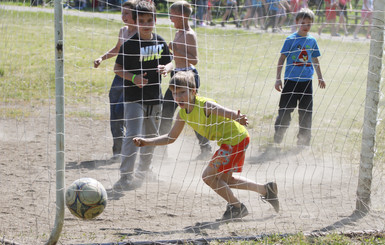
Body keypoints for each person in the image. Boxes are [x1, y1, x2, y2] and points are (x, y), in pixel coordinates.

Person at [133, 71, 280, 220]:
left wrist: (237, 117)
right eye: (174, 94)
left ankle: (237, 207)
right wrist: (147, 142)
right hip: (231, 141)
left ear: (193, 91)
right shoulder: (183, 114)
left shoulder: (205, 105)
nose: (178, 97)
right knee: (225, 180)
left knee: (208, 177)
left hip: (235, 140)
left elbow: (225, 111)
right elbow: (171, 137)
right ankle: (266, 190)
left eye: (182, 92)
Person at [113, 0, 173, 191]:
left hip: (155, 98)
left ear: (155, 20)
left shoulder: (160, 41)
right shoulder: (130, 45)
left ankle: (144, 171)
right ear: (135, 22)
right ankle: (125, 176)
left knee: (151, 137)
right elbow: (117, 69)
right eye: (142, 21)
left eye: (150, 20)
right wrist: (134, 78)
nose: (146, 24)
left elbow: (171, 62)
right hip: (133, 98)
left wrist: (167, 68)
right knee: (133, 135)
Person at [158, 0, 212, 160]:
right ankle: (161, 152)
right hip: (177, 75)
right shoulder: (178, 32)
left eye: (172, 15)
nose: (170, 19)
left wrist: (176, 49)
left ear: (182, 16)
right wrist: (168, 67)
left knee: (191, 113)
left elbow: (194, 60)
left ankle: (206, 148)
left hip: (189, 77)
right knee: (166, 112)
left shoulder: (189, 34)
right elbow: (177, 57)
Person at [274, 8, 326, 146]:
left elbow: (315, 60)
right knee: (285, 111)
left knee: (306, 113)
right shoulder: (290, 40)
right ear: (297, 22)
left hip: (306, 83)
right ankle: (278, 136)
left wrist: (320, 77)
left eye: (309, 24)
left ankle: (304, 142)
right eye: (303, 23)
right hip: (291, 82)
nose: (306, 26)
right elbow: (281, 59)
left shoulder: (312, 41)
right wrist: (278, 79)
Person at [93, 0, 137, 161]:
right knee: (115, 114)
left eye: (127, 13)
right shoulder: (123, 31)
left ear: (135, 15)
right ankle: (117, 151)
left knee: (124, 113)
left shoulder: (140, 34)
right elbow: (117, 48)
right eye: (122, 13)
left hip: (133, 79)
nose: (123, 16)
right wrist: (101, 58)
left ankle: (133, 145)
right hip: (119, 77)